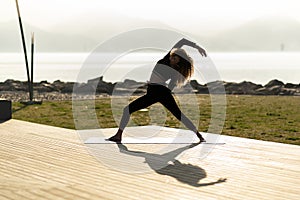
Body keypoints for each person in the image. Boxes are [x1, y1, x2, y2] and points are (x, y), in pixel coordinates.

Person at [107, 38, 207, 143]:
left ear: (179, 61)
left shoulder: (175, 71)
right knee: (127, 110)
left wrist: (157, 85)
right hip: (153, 93)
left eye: (175, 58)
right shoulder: (166, 59)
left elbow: (170, 87)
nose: (172, 58)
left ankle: (199, 135)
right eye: (173, 56)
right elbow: (182, 41)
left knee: (178, 115)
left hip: (160, 92)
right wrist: (197, 46)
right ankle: (118, 136)